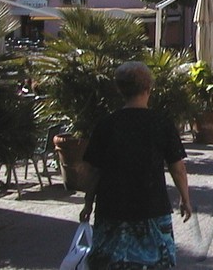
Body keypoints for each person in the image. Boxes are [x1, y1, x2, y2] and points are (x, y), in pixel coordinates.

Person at [79, 61, 192, 269]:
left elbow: (94, 171)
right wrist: (185, 198)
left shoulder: (107, 125)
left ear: (120, 89)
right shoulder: (161, 123)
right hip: (152, 208)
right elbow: (178, 167)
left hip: (112, 209)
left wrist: (88, 203)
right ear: (148, 88)